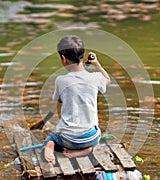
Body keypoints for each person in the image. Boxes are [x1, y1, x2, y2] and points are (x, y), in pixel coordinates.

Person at [43, 35, 110, 165]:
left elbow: (59, 101)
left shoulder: (61, 81)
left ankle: (50, 146)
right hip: (91, 138)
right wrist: (97, 64)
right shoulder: (95, 78)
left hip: (69, 139)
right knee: (96, 133)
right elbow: (107, 80)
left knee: (52, 137)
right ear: (82, 55)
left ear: (63, 59)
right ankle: (86, 150)